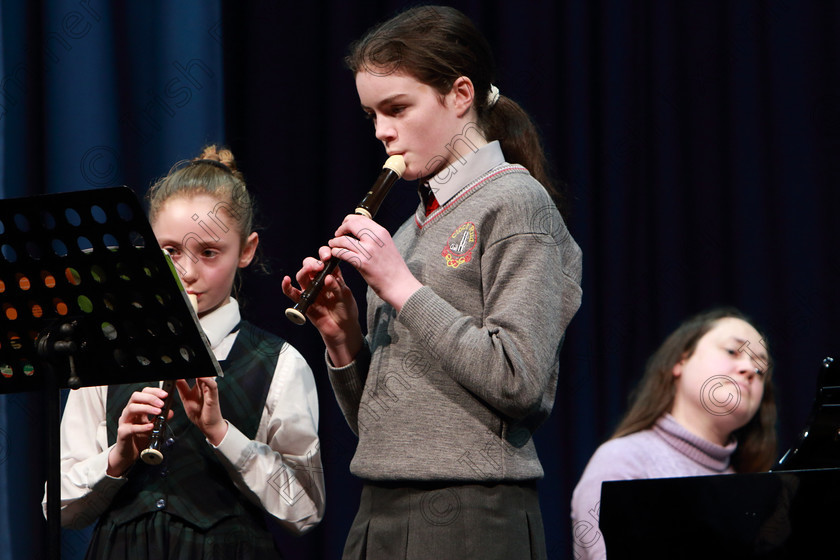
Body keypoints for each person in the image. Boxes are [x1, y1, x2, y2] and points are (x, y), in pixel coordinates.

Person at [282, 5, 582, 559]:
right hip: (379, 508)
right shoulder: (406, 229)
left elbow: (520, 381)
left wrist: (404, 290)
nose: (382, 132)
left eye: (397, 108)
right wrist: (343, 338)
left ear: (460, 93)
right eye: (372, 115)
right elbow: (380, 423)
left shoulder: (516, 202)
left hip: (472, 510)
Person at [46, 146, 325, 558]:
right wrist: (118, 456)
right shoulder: (106, 353)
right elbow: (59, 507)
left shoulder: (280, 363)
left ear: (246, 250)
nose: (187, 272)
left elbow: (304, 510)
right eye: (171, 251)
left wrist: (223, 435)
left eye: (209, 252)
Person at [570, 308, 777, 560]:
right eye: (732, 351)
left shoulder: (753, 489)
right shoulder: (623, 459)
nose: (749, 369)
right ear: (680, 361)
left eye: (760, 369)